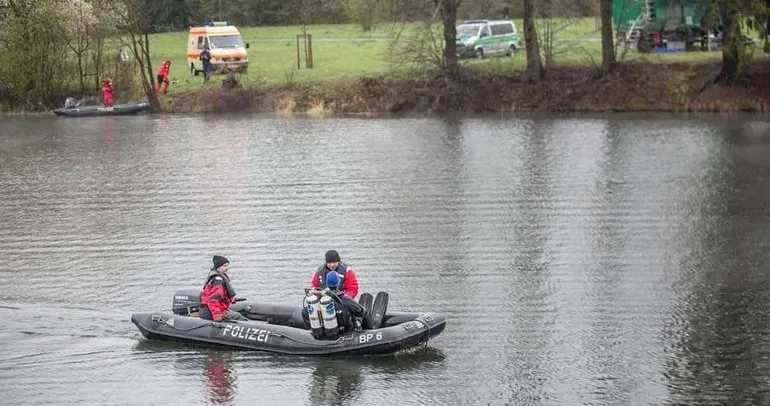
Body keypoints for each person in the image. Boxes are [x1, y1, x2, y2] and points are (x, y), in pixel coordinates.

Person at [199, 255, 246, 322]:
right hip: (210, 312)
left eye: (227, 265)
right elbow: (213, 299)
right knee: (238, 316)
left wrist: (231, 299)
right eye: (224, 266)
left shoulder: (219, 278)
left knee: (236, 313)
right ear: (218, 267)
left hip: (217, 309)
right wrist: (217, 315)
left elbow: (221, 296)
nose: (227, 268)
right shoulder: (218, 281)